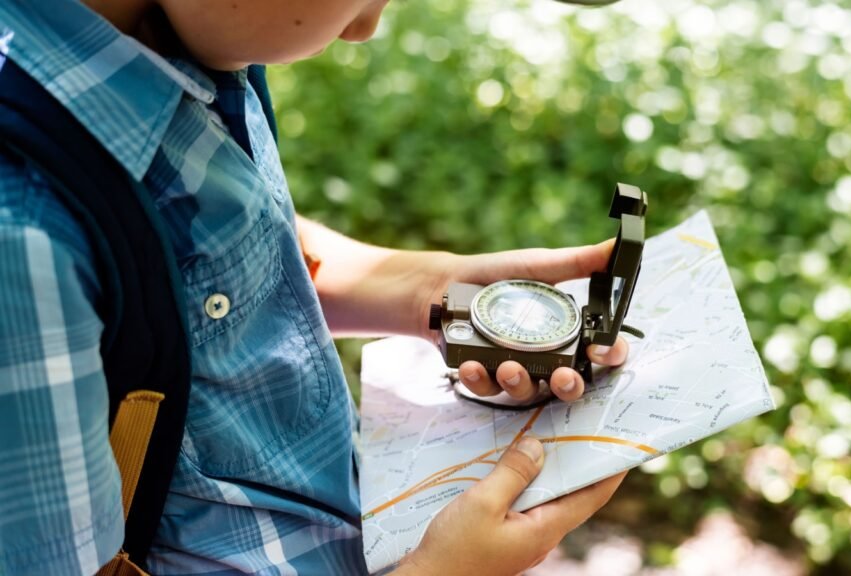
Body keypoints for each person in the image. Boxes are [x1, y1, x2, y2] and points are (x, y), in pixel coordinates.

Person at [0, 0, 630, 574]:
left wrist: (428, 290)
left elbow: (203, 249)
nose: (365, 27)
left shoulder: (181, 44)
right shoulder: (21, 242)